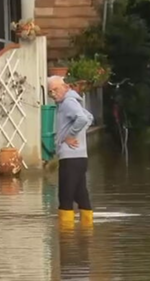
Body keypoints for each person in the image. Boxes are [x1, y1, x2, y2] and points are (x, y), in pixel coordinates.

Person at [47, 76, 95, 229]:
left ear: (65, 87)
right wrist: (77, 134)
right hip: (79, 157)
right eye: (50, 92)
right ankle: (86, 232)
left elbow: (82, 119)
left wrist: (71, 135)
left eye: (55, 89)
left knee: (65, 197)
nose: (53, 94)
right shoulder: (71, 101)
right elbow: (89, 117)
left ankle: (66, 237)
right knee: (81, 195)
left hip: (71, 157)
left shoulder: (68, 102)